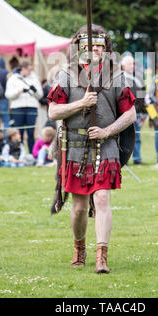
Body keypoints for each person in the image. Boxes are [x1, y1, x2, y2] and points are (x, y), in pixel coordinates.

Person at [48, 24, 136, 274]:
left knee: (102, 197)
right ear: (79, 48)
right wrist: (81, 104)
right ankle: (79, 247)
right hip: (75, 146)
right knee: (78, 209)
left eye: (99, 46)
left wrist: (107, 131)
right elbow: (53, 112)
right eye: (89, 45)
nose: (95, 50)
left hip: (105, 144)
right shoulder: (66, 76)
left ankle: (101, 256)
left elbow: (130, 114)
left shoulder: (116, 76)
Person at [5, 60, 43, 153]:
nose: (30, 71)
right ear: (22, 68)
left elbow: (40, 95)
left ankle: (32, 153)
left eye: (31, 69)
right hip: (18, 107)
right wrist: (19, 91)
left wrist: (34, 91)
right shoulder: (13, 78)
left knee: (31, 132)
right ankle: (19, 153)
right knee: (19, 132)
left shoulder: (34, 78)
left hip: (31, 107)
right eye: (28, 69)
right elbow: (8, 95)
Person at [121, 54, 146, 165]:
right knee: (123, 137)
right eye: (129, 64)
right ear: (123, 66)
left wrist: (140, 109)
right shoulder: (120, 79)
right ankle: (123, 159)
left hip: (136, 113)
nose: (132, 66)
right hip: (123, 114)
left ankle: (137, 158)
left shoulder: (138, 79)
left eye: (133, 64)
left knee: (137, 137)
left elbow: (142, 96)